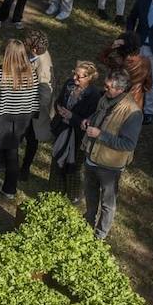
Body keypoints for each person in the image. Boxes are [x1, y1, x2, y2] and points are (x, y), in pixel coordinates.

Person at [81, 71, 143, 240]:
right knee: (90, 194)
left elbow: (128, 144)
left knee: (107, 204)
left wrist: (100, 134)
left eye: (108, 87)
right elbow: (99, 115)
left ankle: (100, 235)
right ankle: (87, 223)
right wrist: (88, 119)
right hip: (92, 158)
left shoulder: (133, 112)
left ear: (120, 89)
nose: (104, 88)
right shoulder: (105, 98)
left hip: (109, 167)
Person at [0, 39, 39, 204]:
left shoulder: (1, 74)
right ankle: (10, 189)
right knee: (12, 155)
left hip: (0, 121)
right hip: (20, 122)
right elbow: (34, 100)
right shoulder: (32, 74)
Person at [49, 61, 102, 204]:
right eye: (74, 74)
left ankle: (73, 196)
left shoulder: (94, 96)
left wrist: (72, 117)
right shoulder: (69, 84)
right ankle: (55, 191)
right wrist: (59, 108)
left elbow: (90, 120)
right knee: (57, 161)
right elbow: (59, 100)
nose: (75, 78)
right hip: (62, 130)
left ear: (89, 78)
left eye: (79, 77)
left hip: (78, 137)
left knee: (74, 166)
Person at [18, 29, 54, 184]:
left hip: (34, 110)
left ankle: (25, 168)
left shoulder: (43, 66)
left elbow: (44, 95)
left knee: (31, 139)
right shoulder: (35, 54)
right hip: (26, 102)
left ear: (34, 49)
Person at [97, 31, 152, 107]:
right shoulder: (146, 62)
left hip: (116, 99)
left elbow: (101, 57)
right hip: (135, 101)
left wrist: (111, 46)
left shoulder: (117, 62)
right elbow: (148, 85)